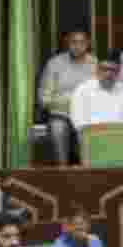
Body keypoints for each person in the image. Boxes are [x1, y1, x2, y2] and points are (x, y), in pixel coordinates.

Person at [38, 28, 98, 164]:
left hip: (88, 116)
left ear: (88, 44)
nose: (77, 46)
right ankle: (63, 170)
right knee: (58, 129)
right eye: (73, 42)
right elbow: (44, 98)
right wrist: (65, 104)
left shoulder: (94, 63)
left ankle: (90, 172)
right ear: (67, 43)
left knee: (96, 131)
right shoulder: (54, 63)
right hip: (61, 114)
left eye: (81, 42)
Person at [69, 50, 123, 137]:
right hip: (92, 140)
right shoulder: (82, 91)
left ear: (119, 71)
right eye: (104, 69)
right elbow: (79, 124)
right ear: (97, 69)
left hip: (121, 140)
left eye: (113, 70)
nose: (108, 74)